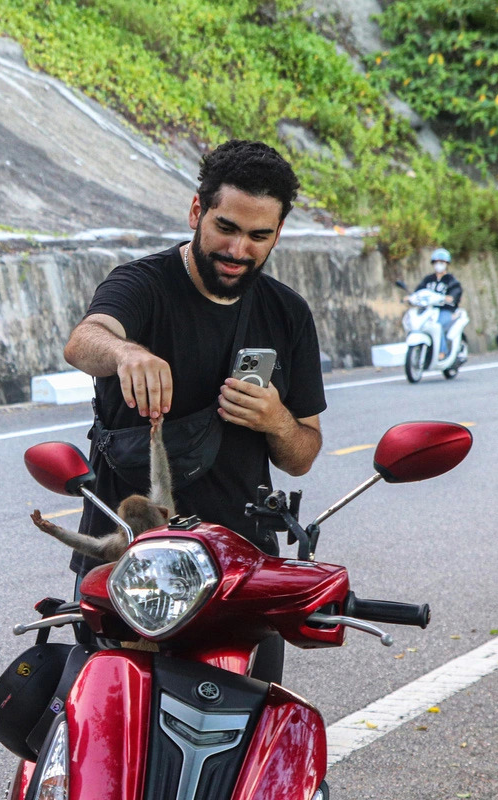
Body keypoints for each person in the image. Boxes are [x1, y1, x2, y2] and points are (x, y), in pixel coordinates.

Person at [63, 139, 327, 681]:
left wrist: (276, 420)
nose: (238, 249)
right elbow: (84, 340)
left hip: (242, 569)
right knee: (104, 729)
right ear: (196, 212)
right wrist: (125, 352)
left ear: (277, 234)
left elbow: (302, 455)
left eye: (259, 236)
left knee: (247, 737)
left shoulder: (288, 314)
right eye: (226, 228)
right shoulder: (142, 284)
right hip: (132, 568)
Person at [413, 248, 462, 358]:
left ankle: (442, 352)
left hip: (445, 310)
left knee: (436, 325)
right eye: (436, 262)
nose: (438, 265)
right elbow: (419, 291)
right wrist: (411, 297)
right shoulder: (428, 279)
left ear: (446, 264)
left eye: (441, 262)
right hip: (429, 310)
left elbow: (456, 292)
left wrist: (450, 297)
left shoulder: (450, 280)